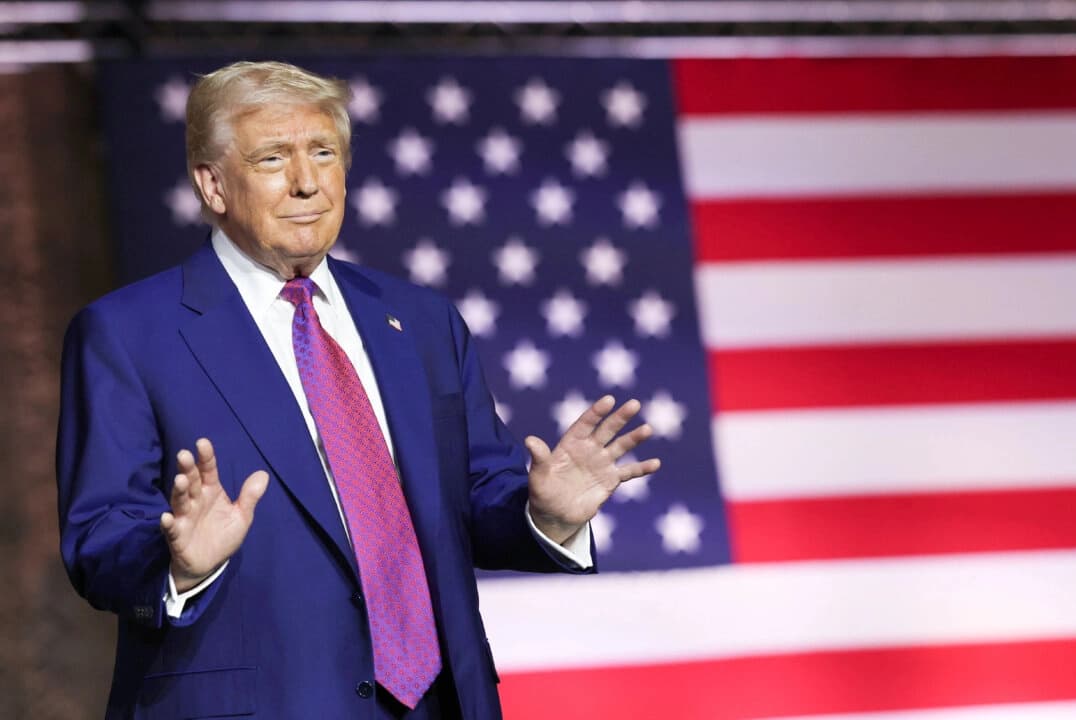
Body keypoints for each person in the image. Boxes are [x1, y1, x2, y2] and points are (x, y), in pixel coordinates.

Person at [56, 60, 659, 719]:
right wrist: (178, 560)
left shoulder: (421, 321)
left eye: (323, 153)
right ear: (213, 184)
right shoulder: (127, 333)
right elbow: (98, 536)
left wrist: (547, 514)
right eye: (272, 158)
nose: (307, 183)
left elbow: (474, 498)